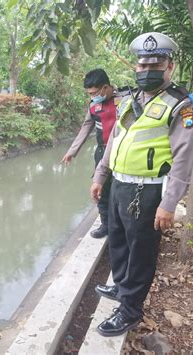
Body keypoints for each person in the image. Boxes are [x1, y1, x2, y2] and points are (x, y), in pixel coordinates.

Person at [90, 32, 193, 336]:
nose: (147, 68)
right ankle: (122, 288)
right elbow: (114, 140)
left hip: (148, 191)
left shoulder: (181, 105)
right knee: (119, 241)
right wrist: (100, 176)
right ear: (135, 66)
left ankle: (130, 311)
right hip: (120, 185)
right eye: (142, 63)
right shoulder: (130, 99)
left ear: (170, 67)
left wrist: (169, 203)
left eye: (156, 62)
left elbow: (184, 158)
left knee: (141, 252)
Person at [61, 69, 126, 239]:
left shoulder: (126, 99)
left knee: (122, 189)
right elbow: (85, 127)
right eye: (89, 94)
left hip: (125, 152)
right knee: (101, 190)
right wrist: (72, 151)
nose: (92, 97)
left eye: (94, 93)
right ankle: (106, 225)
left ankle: (121, 224)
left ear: (105, 87)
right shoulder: (93, 106)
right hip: (102, 151)